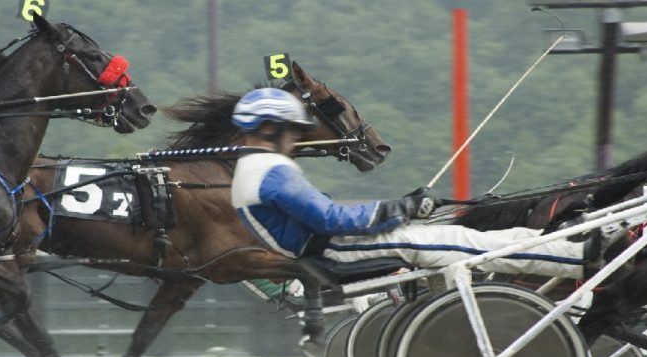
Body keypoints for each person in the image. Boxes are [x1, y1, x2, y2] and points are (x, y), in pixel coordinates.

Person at [230, 88, 614, 279]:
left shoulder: (252, 169)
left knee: (467, 237)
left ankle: (563, 246)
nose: (298, 138)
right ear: (268, 128)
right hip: (340, 250)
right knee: (468, 243)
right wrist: (401, 209)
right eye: (294, 131)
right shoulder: (271, 171)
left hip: (334, 248)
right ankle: (579, 258)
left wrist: (400, 208)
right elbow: (330, 219)